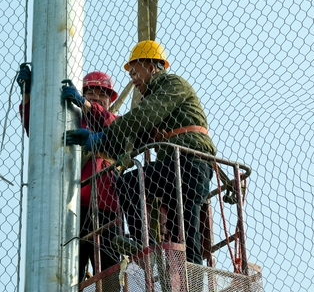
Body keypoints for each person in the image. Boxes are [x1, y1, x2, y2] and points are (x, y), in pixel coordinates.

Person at [65, 42, 216, 266]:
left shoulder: (171, 85)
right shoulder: (155, 97)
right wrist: (100, 142)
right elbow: (135, 139)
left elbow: (142, 118)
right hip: (177, 166)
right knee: (182, 237)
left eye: (135, 72)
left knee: (130, 185)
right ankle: (175, 273)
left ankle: (146, 246)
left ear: (151, 67)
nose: (133, 79)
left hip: (189, 163)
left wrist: (102, 137)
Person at [17, 66, 121, 292]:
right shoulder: (72, 120)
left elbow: (114, 128)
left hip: (107, 206)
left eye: (103, 93)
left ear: (110, 99)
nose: (97, 97)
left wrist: (86, 104)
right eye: (92, 91)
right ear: (83, 92)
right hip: (75, 207)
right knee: (74, 272)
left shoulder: (113, 122)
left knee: (109, 267)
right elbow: (36, 128)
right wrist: (28, 95)